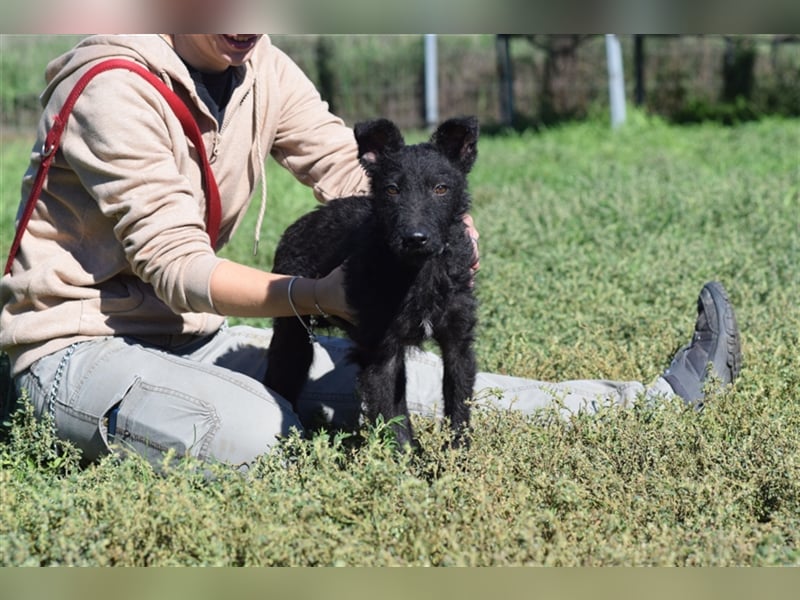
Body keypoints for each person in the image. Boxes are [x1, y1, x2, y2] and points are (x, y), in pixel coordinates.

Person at [0, 34, 742, 469]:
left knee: (414, 385)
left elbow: (349, 166)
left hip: (197, 336)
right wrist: (311, 297)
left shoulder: (257, 62)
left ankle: (653, 400)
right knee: (264, 431)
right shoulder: (111, 88)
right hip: (78, 348)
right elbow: (176, 266)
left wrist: (445, 217)